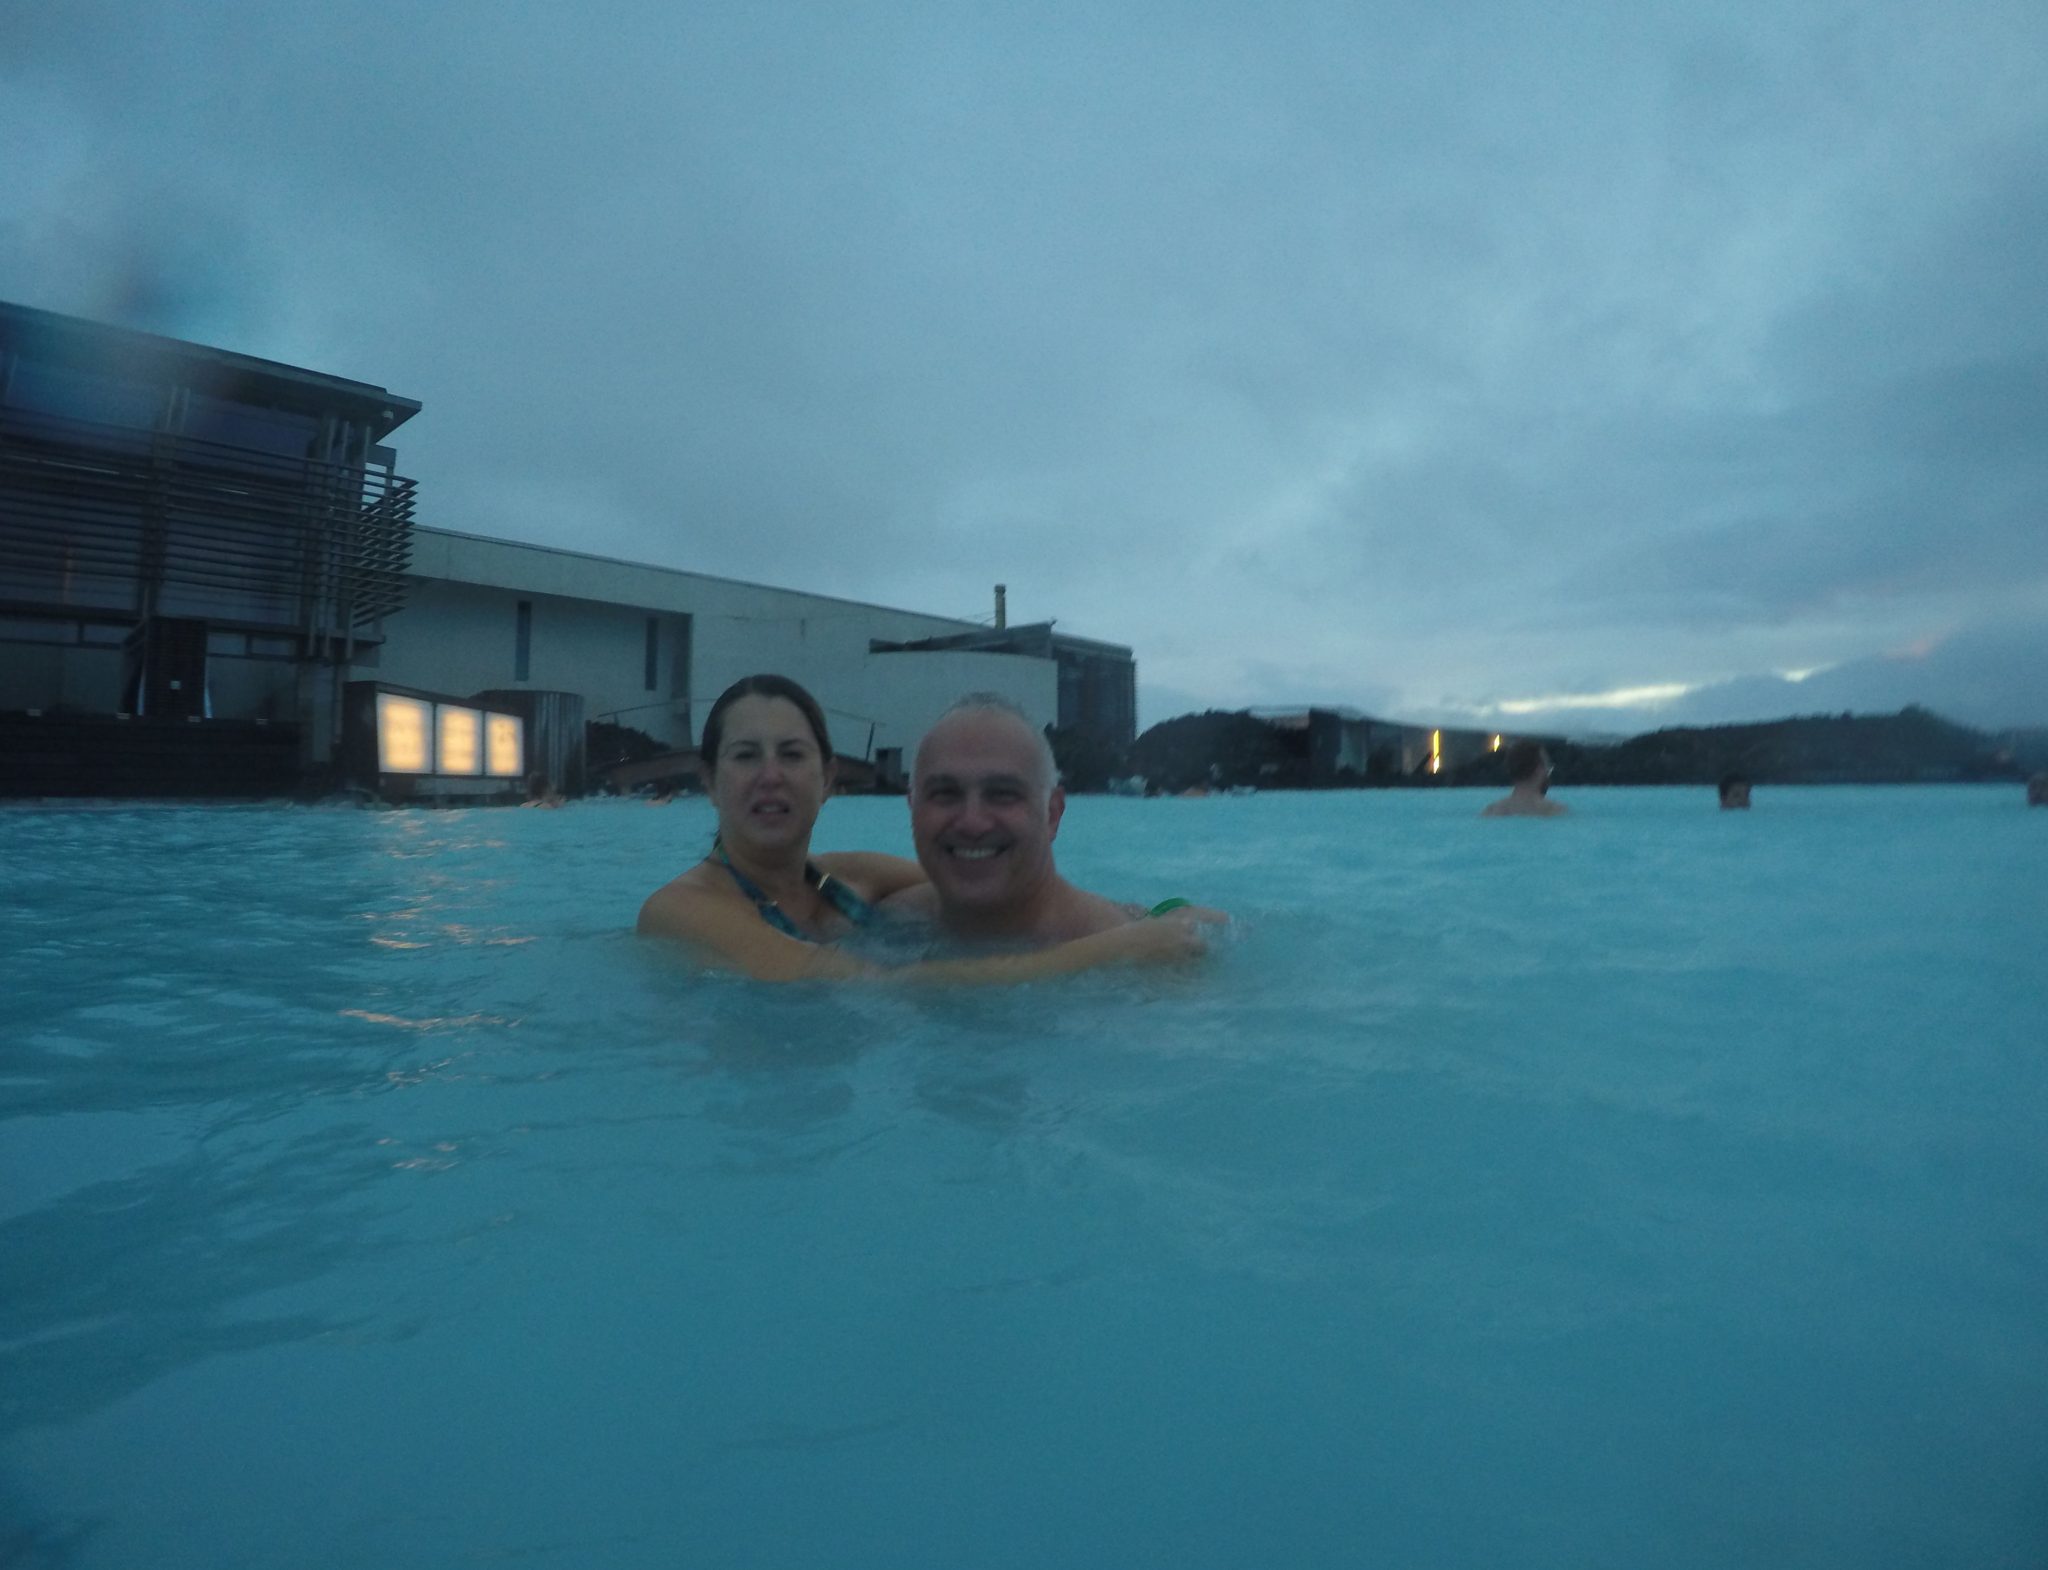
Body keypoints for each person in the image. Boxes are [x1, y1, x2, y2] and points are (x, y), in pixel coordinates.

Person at [637, 675, 1205, 982]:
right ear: (709, 782)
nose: (770, 777)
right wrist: (1114, 951)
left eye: (791, 755)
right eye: (744, 757)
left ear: (828, 778)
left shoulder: (851, 877)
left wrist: (1161, 913)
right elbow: (863, 987)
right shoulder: (679, 910)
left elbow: (990, 882)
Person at [887, 693, 1222, 942]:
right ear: (912, 808)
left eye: (1003, 793)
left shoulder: (1136, 959)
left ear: (1052, 813)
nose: (972, 822)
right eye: (945, 793)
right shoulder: (890, 920)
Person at [1481, 740, 1568, 817]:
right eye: (1548, 768)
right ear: (1538, 770)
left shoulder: (1490, 812)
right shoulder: (1555, 811)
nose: (1548, 773)